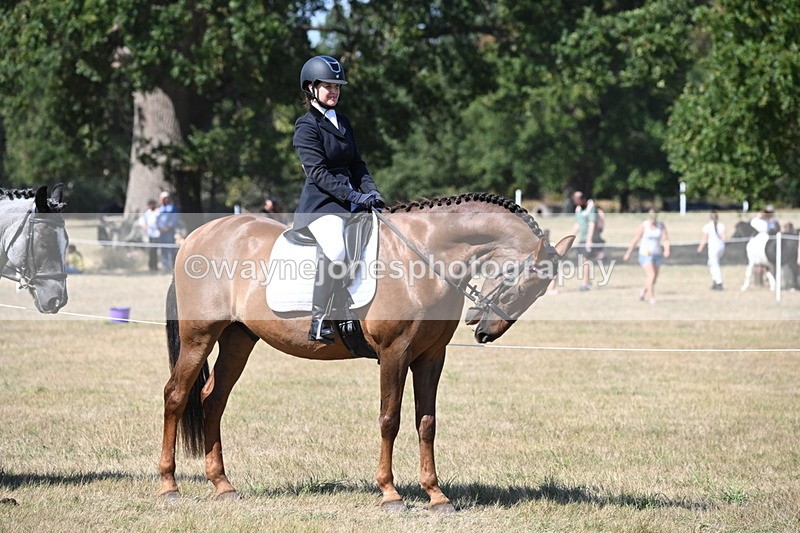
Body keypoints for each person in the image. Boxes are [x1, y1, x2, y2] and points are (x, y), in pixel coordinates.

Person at [293, 55, 385, 344]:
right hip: (322, 206)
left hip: (351, 200)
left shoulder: (342, 122)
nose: (334, 91)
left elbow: (357, 164)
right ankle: (319, 319)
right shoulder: (306, 127)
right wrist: (355, 195)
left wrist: (372, 192)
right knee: (336, 250)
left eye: (337, 86)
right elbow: (318, 173)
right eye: (327, 86)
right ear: (311, 89)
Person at [623, 208, 670, 304]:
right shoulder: (644, 226)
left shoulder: (661, 226)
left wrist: (666, 250)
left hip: (657, 254)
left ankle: (643, 291)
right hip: (645, 253)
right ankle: (651, 297)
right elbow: (636, 239)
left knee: (653, 278)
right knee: (651, 274)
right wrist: (628, 253)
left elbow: (665, 239)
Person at [569, 191, 602, 291]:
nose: (576, 203)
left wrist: (589, 240)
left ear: (583, 199)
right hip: (582, 239)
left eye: (577, 200)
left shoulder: (591, 208)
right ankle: (588, 281)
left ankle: (585, 283)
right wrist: (569, 238)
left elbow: (592, 224)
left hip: (589, 240)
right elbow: (578, 224)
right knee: (584, 261)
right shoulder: (578, 209)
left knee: (586, 260)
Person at [697, 210, 727, 290]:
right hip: (721, 247)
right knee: (711, 263)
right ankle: (714, 281)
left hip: (713, 248)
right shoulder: (721, 225)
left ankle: (719, 282)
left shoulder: (707, 226)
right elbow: (724, 238)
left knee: (714, 265)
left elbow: (704, 239)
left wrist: (700, 248)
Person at [156, 191, 181, 271]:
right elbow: (157, 219)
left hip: (169, 232)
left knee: (171, 249)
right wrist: (159, 228)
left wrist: (167, 227)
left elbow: (174, 219)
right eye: (162, 198)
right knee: (163, 249)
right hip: (161, 232)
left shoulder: (172, 208)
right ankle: (165, 266)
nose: (163, 200)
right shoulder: (160, 208)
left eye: (165, 198)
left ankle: (174, 266)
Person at [139, 198, 160, 272]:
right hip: (150, 234)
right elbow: (142, 220)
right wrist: (144, 226)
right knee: (151, 251)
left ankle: (155, 266)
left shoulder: (158, 212)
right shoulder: (147, 212)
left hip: (157, 234)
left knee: (154, 251)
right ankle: (151, 266)